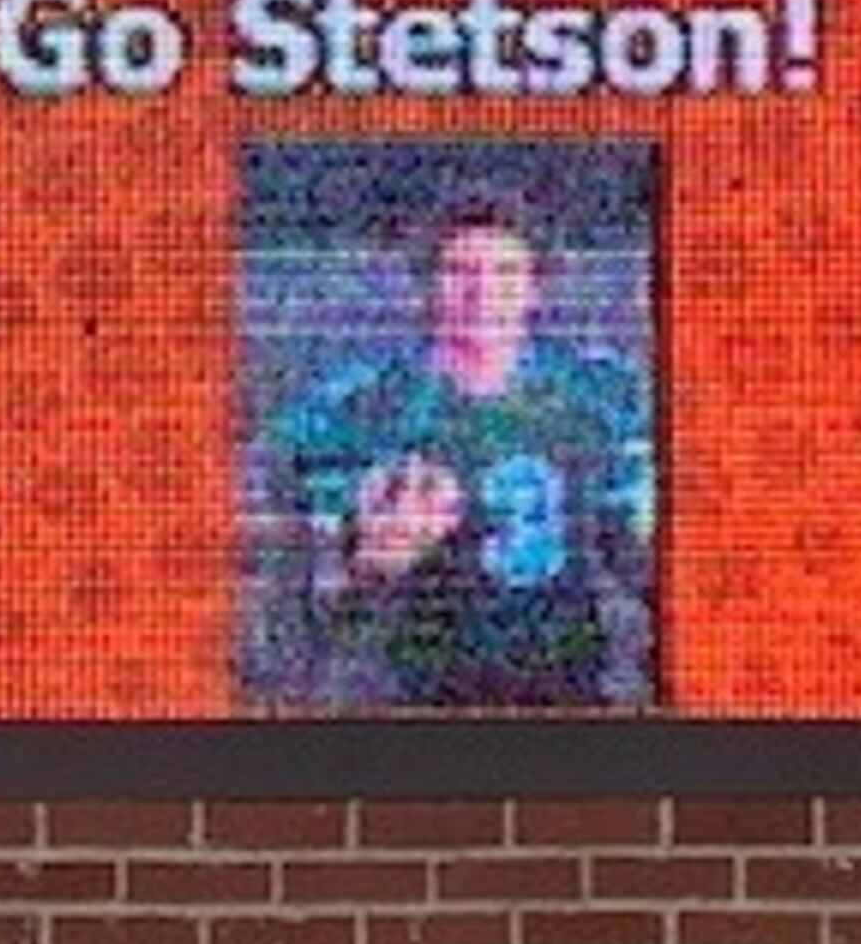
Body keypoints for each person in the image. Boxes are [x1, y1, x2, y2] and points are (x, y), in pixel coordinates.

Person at [267, 197, 654, 707]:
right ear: (427, 282)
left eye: (505, 271)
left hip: (564, 685)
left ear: (536, 287)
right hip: (409, 695)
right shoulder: (359, 405)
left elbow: (636, 553)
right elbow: (310, 609)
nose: (482, 292)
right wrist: (371, 565)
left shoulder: (597, 393)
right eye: (459, 270)